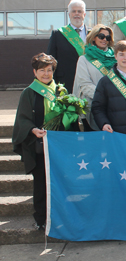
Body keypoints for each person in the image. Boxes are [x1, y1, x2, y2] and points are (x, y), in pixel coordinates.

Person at [13, 54, 63, 230]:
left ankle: (60, 216)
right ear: (35, 72)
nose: (46, 74)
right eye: (42, 70)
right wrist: (33, 130)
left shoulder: (61, 91)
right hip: (39, 147)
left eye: (49, 70)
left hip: (59, 148)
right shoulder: (29, 92)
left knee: (60, 183)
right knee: (41, 183)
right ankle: (41, 219)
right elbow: (23, 119)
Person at [73, 25, 116, 131]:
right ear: (93, 37)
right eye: (101, 36)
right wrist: (104, 96)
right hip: (91, 107)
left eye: (108, 37)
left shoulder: (116, 58)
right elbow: (85, 85)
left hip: (113, 107)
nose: (105, 39)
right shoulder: (84, 59)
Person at [47, 0, 88, 93]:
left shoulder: (94, 34)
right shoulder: (57, 34)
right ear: (69, 14)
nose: (77, 14)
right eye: (74, 11)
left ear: (84, 14)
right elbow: (51, 61)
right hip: (65, 83)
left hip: (88, 81)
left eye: (80, 11)